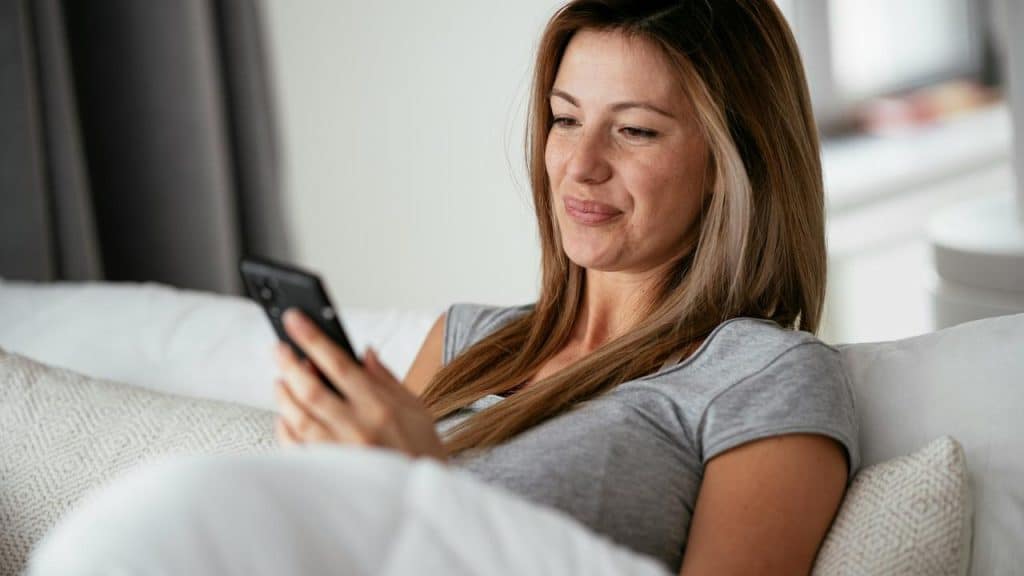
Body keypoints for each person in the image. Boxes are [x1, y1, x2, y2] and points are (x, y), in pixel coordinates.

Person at [29, 1, 858, 575]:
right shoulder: (470, 340)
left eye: (634, 130)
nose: (580, 163)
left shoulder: (762, 377)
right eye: (566, 118)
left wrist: (427, 494)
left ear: (733, 164)